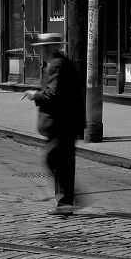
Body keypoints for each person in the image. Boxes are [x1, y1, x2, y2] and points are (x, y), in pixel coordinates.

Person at [23, 33, 84, 215]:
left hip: (63, 123)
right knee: (60, 161)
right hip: (63, 123)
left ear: (49, 48)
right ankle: (66, 203)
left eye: (42, 48)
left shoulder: (58, 64)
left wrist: (35, 95)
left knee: (55, 160)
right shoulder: (56, 63)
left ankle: (68, 200)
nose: (40, 51)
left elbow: (53, 95)